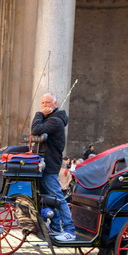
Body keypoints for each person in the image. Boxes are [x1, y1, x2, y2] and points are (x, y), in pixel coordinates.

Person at [31, 94, 77, 242]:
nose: (45, 105)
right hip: (45, 163)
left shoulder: (55, 121)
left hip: (49, 164)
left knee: (57, 197)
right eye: (42, 102)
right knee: (50, 198)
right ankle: (56, 228)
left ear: (55, 104)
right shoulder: (51, 119)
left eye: (48, 102)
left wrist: (39, 114)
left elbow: (35, 129)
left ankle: (70, 230)